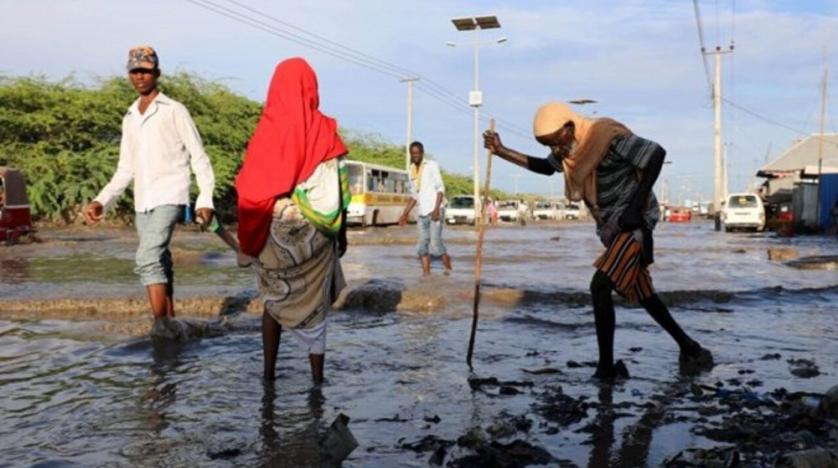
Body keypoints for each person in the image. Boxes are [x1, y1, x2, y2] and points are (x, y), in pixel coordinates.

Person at [483, 102, 712, 380]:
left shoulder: (605, 136)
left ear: (569, 128)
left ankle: (606, 368)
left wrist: (634, 207)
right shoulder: (570, 150)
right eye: (548, 145)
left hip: (634, 222)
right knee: (645, 295)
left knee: (600, 286)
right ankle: (690, 348)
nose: (554, 150)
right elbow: (546, 167)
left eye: (555, 142)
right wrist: (502, 151)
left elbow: (655, 154)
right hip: (611, 228)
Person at [82, 46, 215, 324]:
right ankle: (172, 322)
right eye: (134, 71)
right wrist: (101, 201)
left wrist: (205, 200)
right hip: (143, 200)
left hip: (170, 194)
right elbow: (125, 169)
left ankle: (160, 327)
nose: (139, 76)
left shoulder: (174, 110)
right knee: (160, 260)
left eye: (145, 71)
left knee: (146, 257)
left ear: (157, 73)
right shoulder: (130, 117)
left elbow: (198, 157)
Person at [235, 57, 349, 384]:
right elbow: (339, 192)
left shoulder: (267, 131)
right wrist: (341, 236)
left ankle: (268, 374)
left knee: (273, 302)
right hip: (318, 238)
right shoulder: (327, 130)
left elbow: (252, 193)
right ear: (312, 88)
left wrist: (248, 244)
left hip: (275, 239)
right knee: (315, 307)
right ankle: (317, 380)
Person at [398, 141, 453, 276]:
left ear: (422, 153)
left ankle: (448, 270)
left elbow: (440, 189)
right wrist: (405, 213)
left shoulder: (431, 166)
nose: (415, 155)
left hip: (435, 210)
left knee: (435, 244)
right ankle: (426, 275)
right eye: (412, 153)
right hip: (422, 213)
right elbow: (414, 195)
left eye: (417, 153)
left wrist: (436, 210)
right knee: (422, 246)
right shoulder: (410, 170)